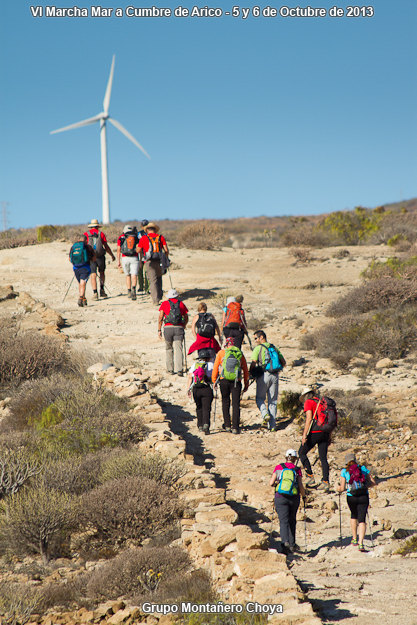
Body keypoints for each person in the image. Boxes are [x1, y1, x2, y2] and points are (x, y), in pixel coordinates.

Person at [338, 453, 376, 552]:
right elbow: (373, 482)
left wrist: (338, 489)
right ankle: (361, 543)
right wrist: (365, 486)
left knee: (353, 515)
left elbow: (342, 488)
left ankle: (354, 538)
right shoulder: (362, 468)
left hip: (351, 497)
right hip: (363, 496)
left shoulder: (344, 471)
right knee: (362, 519)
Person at [270, 449, 306, 554]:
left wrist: (277, 483)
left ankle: (284, 542)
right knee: (292, 520)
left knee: (283, 521)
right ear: (295, 459)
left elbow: (271, 483)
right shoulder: (297, 469)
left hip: (280, 497)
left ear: (286, 457)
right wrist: (304, 496)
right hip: (294, 497)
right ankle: (292, 544)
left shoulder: (279, 467)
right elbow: (300, 485)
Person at [250, 330, 286, 431]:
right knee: (273, 400)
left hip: (263, 375)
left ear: (261, 337)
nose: (255, 341)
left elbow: (253, 363)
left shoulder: (258, 348)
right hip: (275, 376)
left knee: (260, 398)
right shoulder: (274, 347)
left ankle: (265, 414)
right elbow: (283, 361)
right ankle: (273, 426)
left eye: (256, 338)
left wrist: (251, 373)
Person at [212, 337, 249, 434]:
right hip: (236, 381)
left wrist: (214, 381)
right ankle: (235, 427)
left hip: (223, 380)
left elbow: (215, 368)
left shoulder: (221, 353)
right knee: (236, 404)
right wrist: (246, 383)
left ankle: (227, 425)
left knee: (225, 402)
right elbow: (245, 369)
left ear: (226, 344)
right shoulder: (239, 353)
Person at [298, 386, 332, 491]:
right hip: (325, 432)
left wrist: (304, 435)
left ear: (305, 396)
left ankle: (310, 476)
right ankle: (325, 482)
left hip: (315, 431)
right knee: (323, 458)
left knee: (301, 452)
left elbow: (309, 418)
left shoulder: (309, 402)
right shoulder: (321, 402)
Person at [158, 289, 188, 376]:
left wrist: (159, 330)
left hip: (167, 329)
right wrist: (184, 325)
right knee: (179, 349)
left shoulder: (164, 304)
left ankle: (170, 370)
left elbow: (160, 317)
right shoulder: (181, 304)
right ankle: (179, 370)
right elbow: (186, 316)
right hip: (179, 328)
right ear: (177, 296)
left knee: (169, 349)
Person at [84, 218, 115, 300]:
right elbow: (106, 246)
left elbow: (83, 246)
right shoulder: (101, 234)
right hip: (100, 257)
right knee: (102, 273)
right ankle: (102, 290)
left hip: (91, 258)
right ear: (97, 226)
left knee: (93, 274)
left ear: (91, 227)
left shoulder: (86, 234)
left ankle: (95, 293)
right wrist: (112, 255)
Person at [138, 222, 169, 305]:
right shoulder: (160, 237)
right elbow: (166, 250)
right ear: (155, 229)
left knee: (153, 280)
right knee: (159, 278)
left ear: (147, 230)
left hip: (149, 262)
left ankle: (155, 300)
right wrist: (165, 259)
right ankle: (160, 296)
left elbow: (138, 250)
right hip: (159, 261)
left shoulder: (144, 238)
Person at [187, 352, 214, 435]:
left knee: (199, 407)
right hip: (206, 388)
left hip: (196, 389)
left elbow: (190, 376)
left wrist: (188, 389)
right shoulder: (211, 365)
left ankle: (200, 425)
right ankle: (206, 424)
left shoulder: (195, 364)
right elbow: (214, 375)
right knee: (206, 408)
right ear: (208, 358)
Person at [69, 234, 96, 307]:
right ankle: (81, 298)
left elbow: (69, 259)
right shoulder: (88, 247)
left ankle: (83, 298)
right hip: (85, 267)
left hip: (75, 268)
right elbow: (94, 259)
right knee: (83, 282)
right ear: (86, 240)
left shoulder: (73, 247)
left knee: (80, 283)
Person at [117, 225, 140, 300]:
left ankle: (129, 291)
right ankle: (134, 289)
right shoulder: (136, 236)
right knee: (134, 274)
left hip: (124, 257)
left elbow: (118, 249)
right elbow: (139, 248)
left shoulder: (121, 237)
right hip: (134, 257)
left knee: (127, 275)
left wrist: (118, 261)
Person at [137, 219, 150, 294]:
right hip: (147, 254)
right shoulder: (149, 233)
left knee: (140, 271)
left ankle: (141, 287)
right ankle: (147, 288)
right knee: (146, 272)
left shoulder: (139, 234)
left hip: (140, 254)